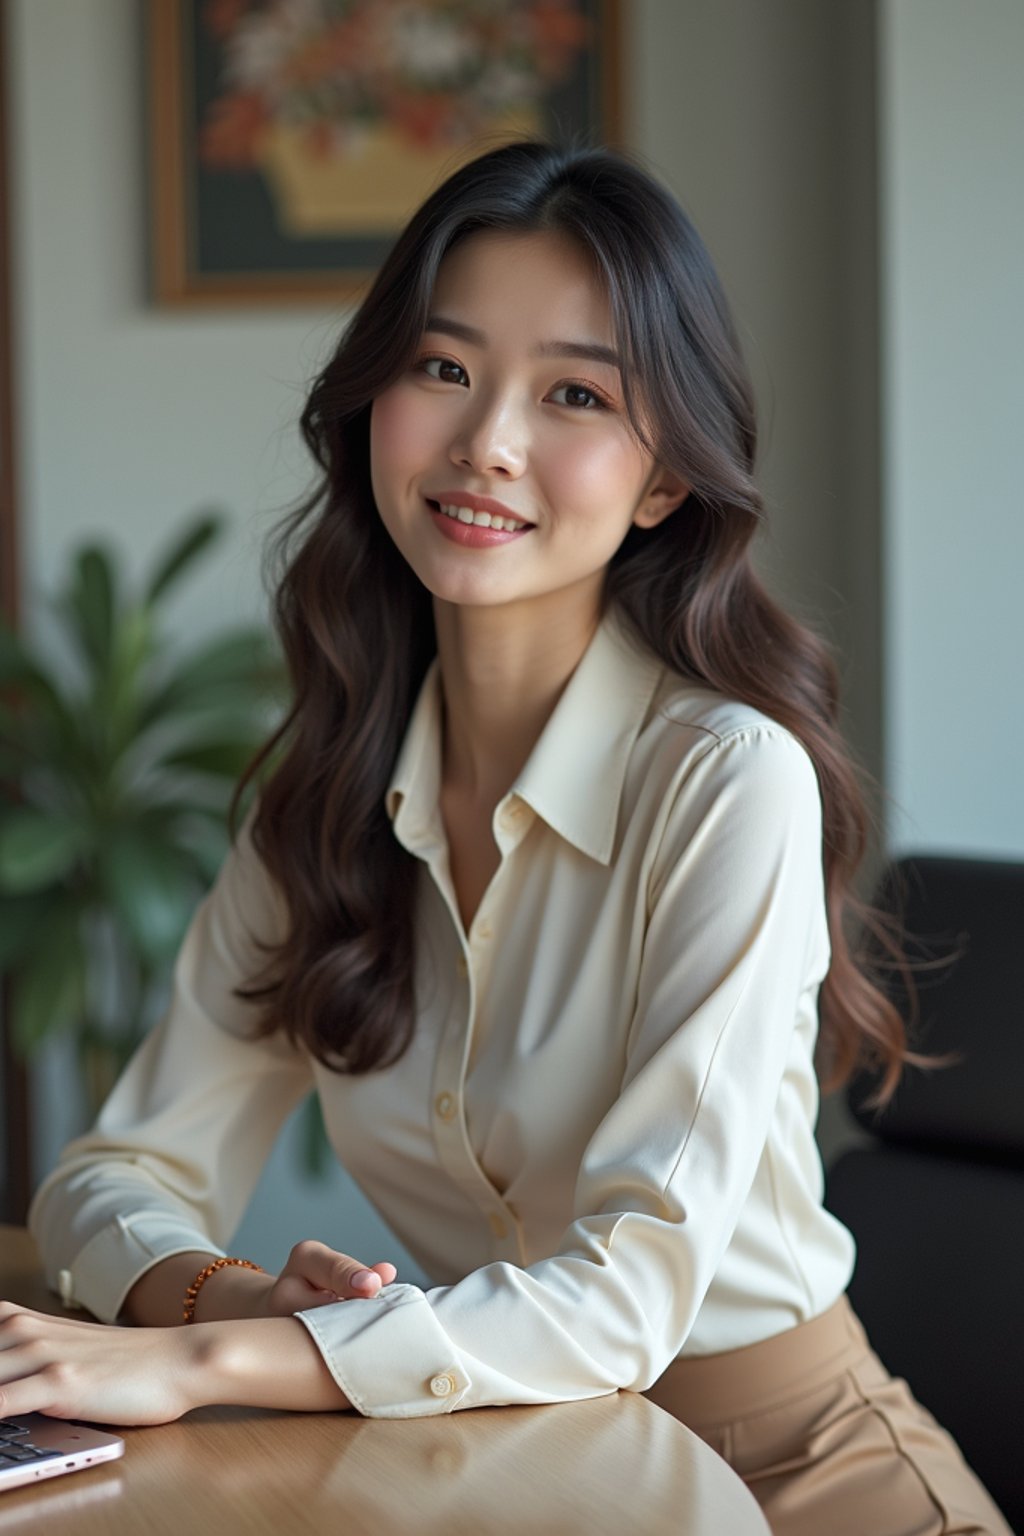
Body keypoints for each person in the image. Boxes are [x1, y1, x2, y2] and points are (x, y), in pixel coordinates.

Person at [7, 141, 1010, 1535]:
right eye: (443, 368)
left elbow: (627, 1297)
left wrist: (189, 1362)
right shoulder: (332, 791)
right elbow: (113, 1176)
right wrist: (225, 1298)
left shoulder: (728, 781)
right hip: (511, 1475)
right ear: (373, 403)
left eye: (577, 395)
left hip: (803, 1479)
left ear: (665, 482)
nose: (487, 441)